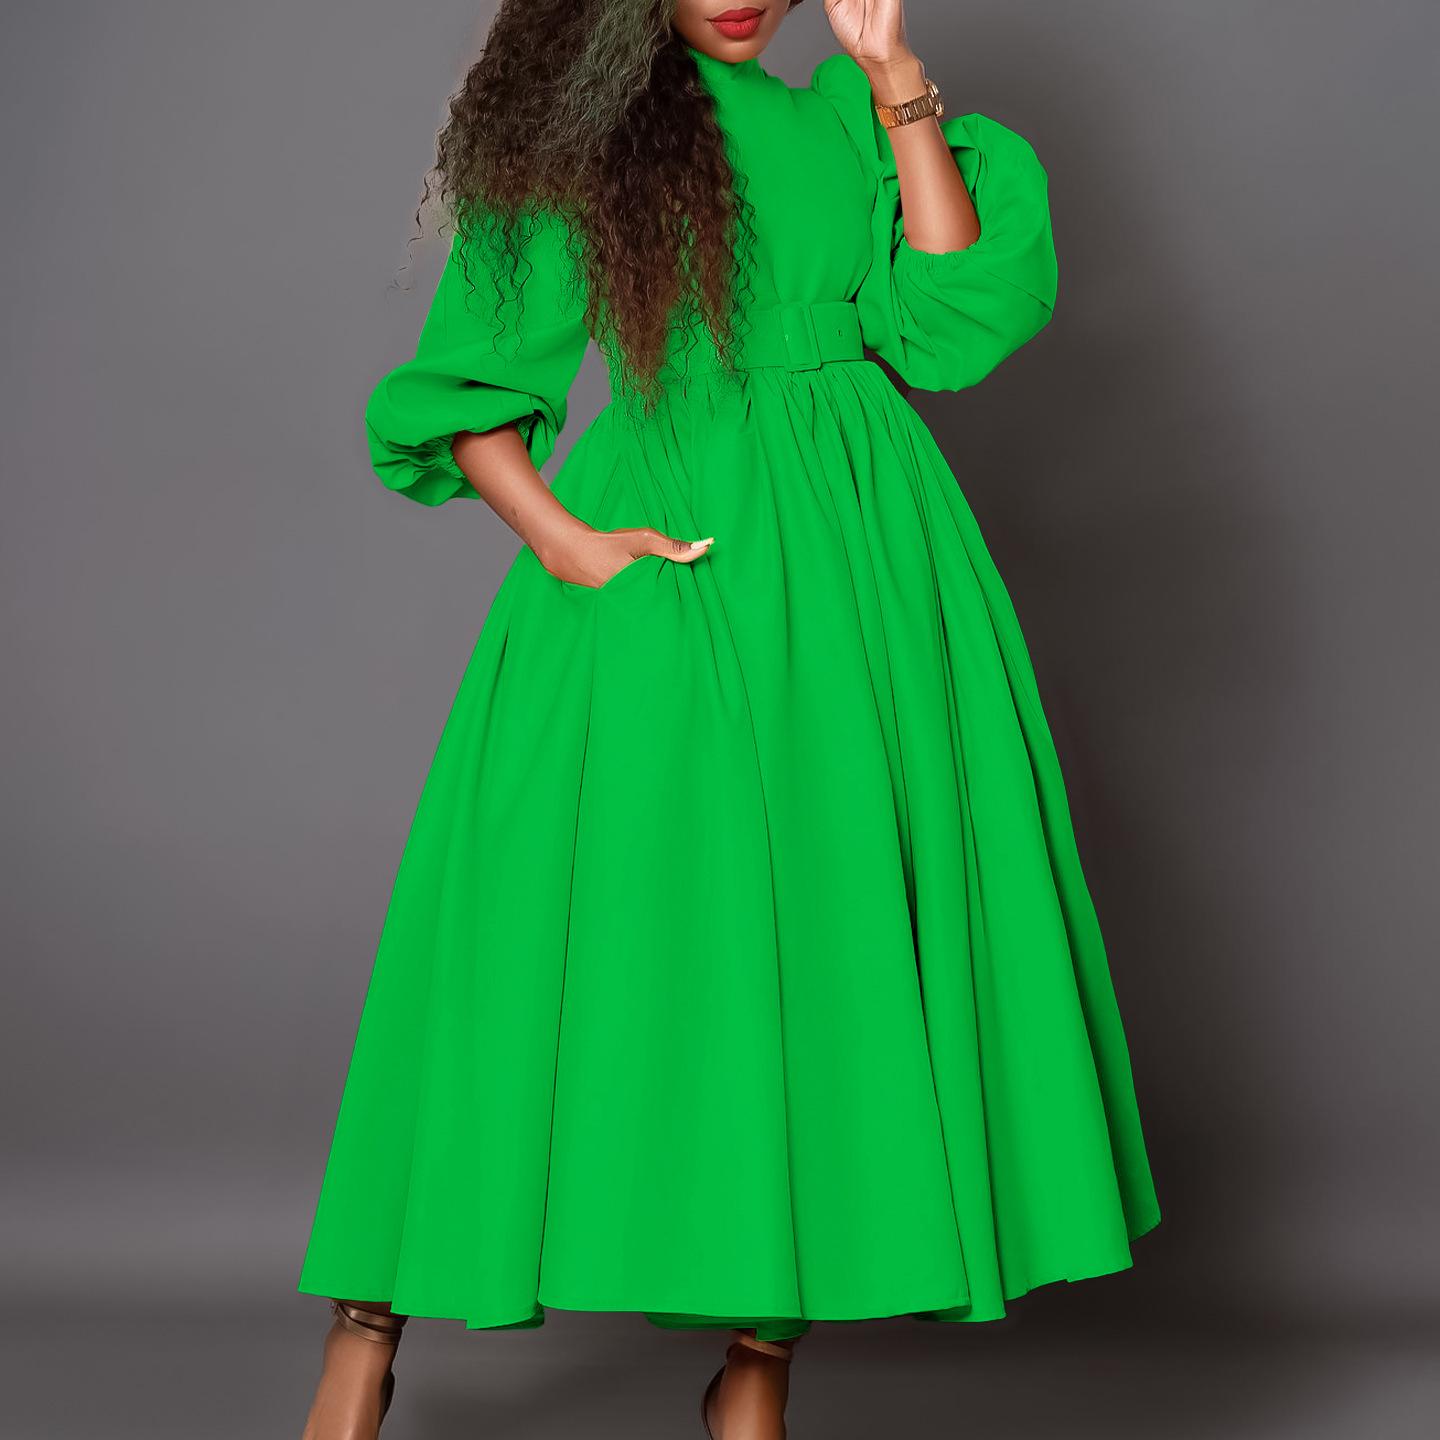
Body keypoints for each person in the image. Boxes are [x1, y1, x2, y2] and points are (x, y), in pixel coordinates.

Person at [297, 1, 1161, 1436]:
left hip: (868, 570)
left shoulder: (840, 121)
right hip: (676, 557)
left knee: (825, 941)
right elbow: (478, 382)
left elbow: (956, 315)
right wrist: (569, 545)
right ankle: (366, 1324)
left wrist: (895, 79)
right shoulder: (582, 137)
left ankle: (757, 1368)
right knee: (523, 936)